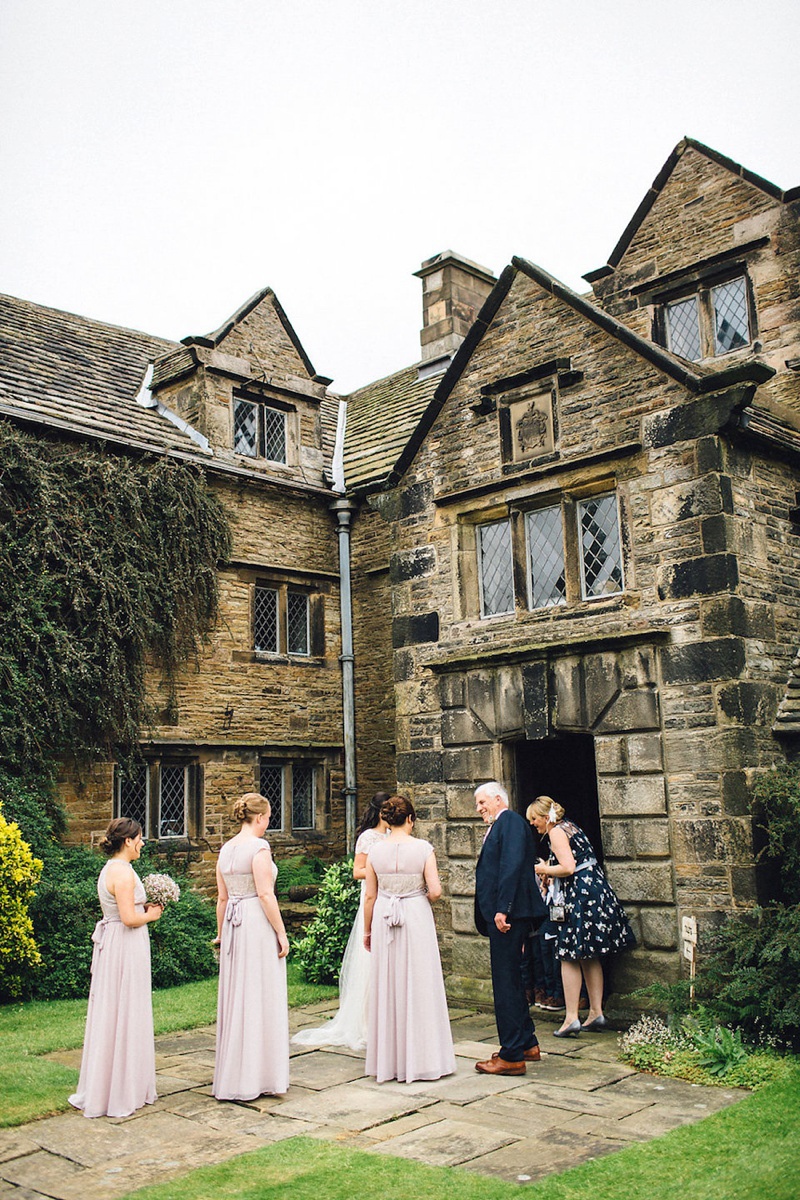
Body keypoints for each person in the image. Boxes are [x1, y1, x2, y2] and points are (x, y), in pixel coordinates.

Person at [69, 817, 163, 1118]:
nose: (142, 843)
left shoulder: (115, 869)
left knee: (120, 1009)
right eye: (138, 839)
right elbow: (128, 918)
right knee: (124, 1009)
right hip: (124, 943)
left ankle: (124, 1083)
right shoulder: (121, 873)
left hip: (121, 944)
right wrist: (152, 914)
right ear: (127, 841)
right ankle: (119, 1090)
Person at [364, 795, 455, 1083]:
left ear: (389, 820)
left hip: (383, 916)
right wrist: (419, 896)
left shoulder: (376, 851)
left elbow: (370, 895)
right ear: (411, 819)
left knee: (388, 983)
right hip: (414, 915)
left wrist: (367, 931)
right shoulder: (423, 848)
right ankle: (424, 1059)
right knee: (419, 982)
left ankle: (389, 1063)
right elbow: (437, 891)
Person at [531, 796, 636, 1037]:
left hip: (579, 896)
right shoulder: (571, 826)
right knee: (589, 956)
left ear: (546, 817)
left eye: (534, 819)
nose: (533, 824)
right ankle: (596, 1012)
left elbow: (567, 867)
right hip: (594, 891)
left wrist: (543, 869)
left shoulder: (556, 832)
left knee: (568, 955)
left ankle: (570, 1019)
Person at [292, 792, 390, 1049]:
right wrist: (379, 869)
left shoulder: (394, 835)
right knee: (370, 959)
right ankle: (367, 1021)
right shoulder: (368, 837)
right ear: (381, 812)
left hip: (390, 895)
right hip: (372, 895)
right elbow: (358, 870)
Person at [212, 792, 289, 1100]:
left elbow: (221, 898)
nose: (268, 824)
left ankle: (237, 1074)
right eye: (268, 818)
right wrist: (281, 933)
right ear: (259, 818)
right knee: (259, 994)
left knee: (238, 995)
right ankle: (258, 1076)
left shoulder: (226, 849)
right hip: (255, 924)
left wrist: (220, 934)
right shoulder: (259, 847)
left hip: (233, 925)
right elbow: (266, 895)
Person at [473, 781, 547, 1075]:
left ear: (497, 799)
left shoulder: (511, 821)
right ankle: (526, 1043)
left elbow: (513, 866)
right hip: (504, 915)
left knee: (505, 982)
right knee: (512, 979)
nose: (479, 809)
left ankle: (511, 1055)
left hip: (507, 916)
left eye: (482, 802)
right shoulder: (502, 824)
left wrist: (503, 908)